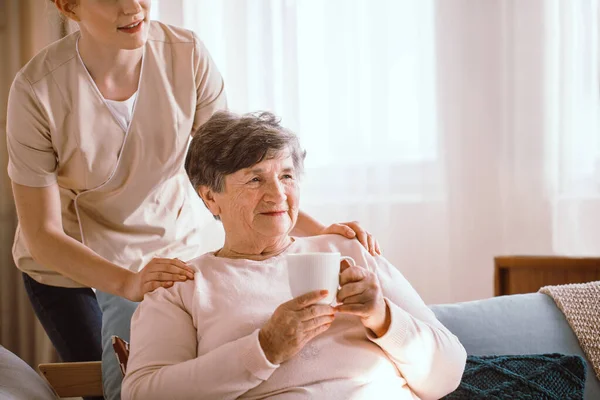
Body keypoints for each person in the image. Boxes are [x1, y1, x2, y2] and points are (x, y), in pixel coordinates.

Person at [6, 1, 379, 399]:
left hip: (167, 250)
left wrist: (322, 232)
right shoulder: (37, 90)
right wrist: (128, 282)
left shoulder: (186, 55)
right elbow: (42, 233)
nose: (134, 6)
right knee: (107, 386)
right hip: (72, 265)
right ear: (69, 6)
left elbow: (237, 170)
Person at [121, 111, 467, 400]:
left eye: (286, 176)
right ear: (211, 198)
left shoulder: (348, 251)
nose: (278, 194)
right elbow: (142, 392)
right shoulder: (181, 287)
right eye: (255, 180)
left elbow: (448, 373)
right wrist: (264, 349)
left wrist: (383, 316)